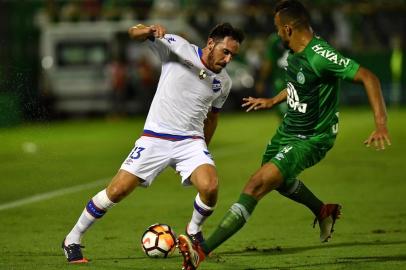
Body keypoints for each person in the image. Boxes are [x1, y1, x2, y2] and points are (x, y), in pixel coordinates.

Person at [178, 1, 391, 269]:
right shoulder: (295, 52)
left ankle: (201, 251)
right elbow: (297, 84)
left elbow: (369, 77)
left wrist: (381, 124)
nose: (277, 34)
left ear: (289, 29)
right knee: (277, 179)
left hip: (311, 138)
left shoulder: (320, 54)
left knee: (256, 185)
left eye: (279, 29)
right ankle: (323, 210)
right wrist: (272, 100)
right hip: (287, 130)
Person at [61, 22, 244, 263]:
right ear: (211, 43)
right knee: (116, 191)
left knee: (210, 188)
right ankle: (72, 239)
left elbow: (212, 118)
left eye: (233, 55)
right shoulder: (178, 48)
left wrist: (203, 149)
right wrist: (147, 30)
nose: (228, 59)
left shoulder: (224, 83)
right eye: (226, 51)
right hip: (155, 137)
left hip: (190, 141)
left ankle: (193, 230)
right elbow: (132, 33)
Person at [255, 32, 289, 119]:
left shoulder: (275, 39)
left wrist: (261, 81)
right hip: (301, 78)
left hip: (281, 81)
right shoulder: (301, 34)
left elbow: (267, 63)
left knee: (285, 114)